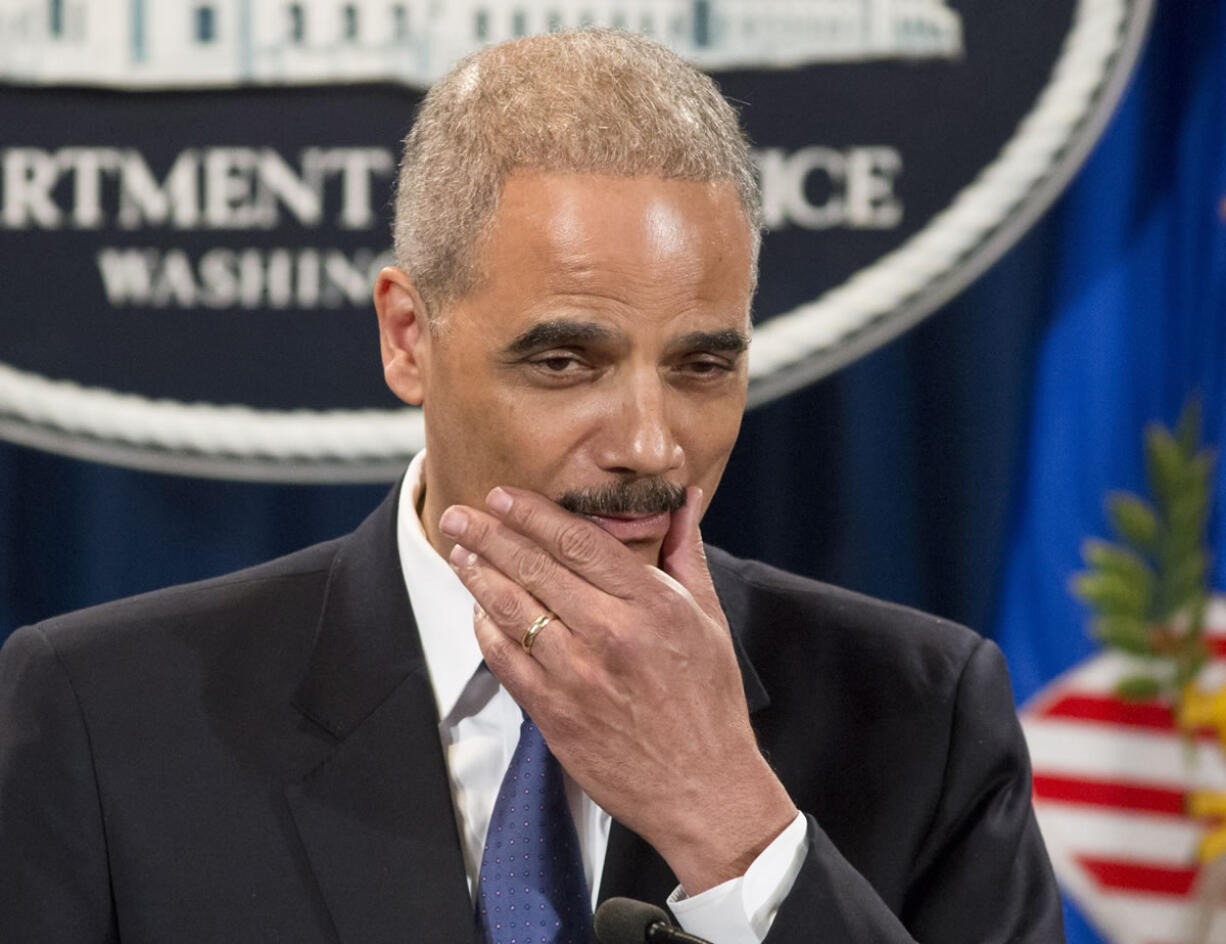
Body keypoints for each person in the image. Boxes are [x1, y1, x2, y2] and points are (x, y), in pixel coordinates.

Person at [0, 29, 1062, 944]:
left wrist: (734, 829)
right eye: (564, 362)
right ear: (408, 336)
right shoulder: (105, 717)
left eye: (702, 364)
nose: (651, 444)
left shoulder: (922, 714)